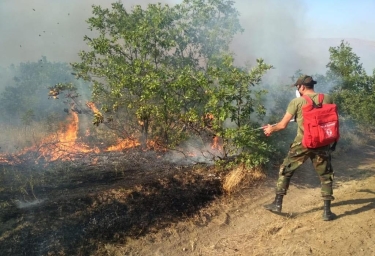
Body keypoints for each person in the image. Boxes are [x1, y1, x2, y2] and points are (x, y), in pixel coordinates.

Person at [262, 75, 336, 221]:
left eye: (298, 87)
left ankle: (277, 204)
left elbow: (282, 125)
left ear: (301, 87)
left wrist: (271, 129)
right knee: (326, 175)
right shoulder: (327, 98)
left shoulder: (297, 102)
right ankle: (327, 212)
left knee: (286, 169)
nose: (298, 89)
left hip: (303, 143)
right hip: (322, 142)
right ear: (312, 85)